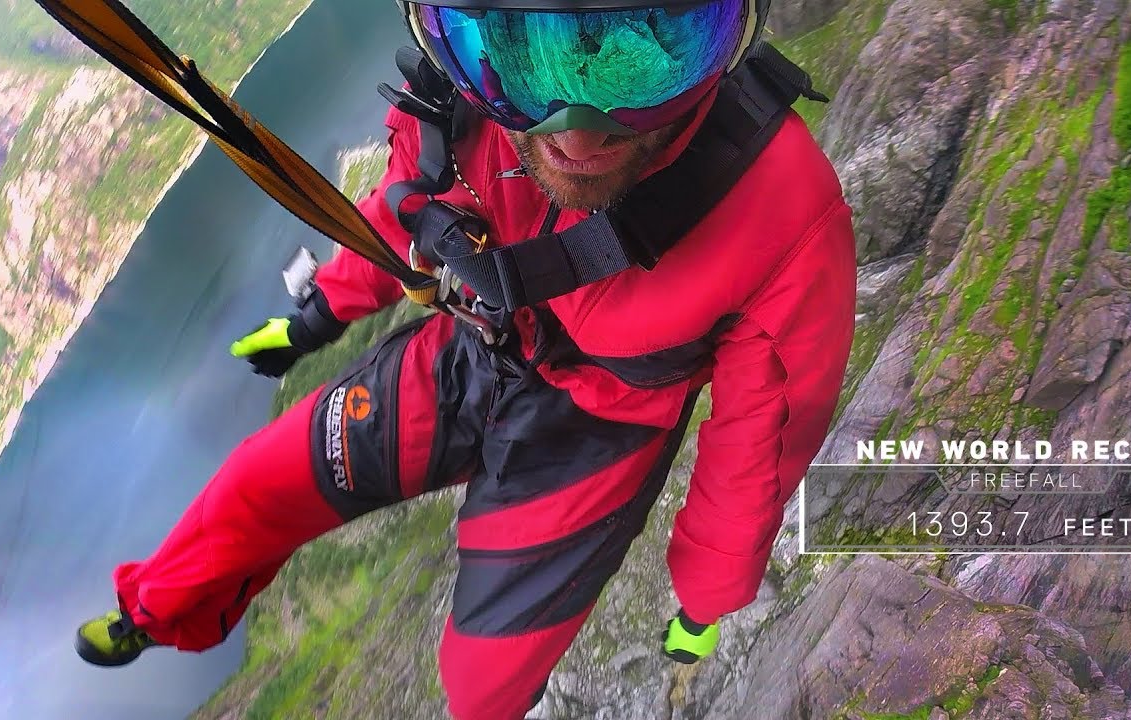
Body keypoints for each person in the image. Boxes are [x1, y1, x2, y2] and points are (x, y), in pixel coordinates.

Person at [73, 0, 857, 717]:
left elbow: (761, 434)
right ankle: (154, 611)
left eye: (648, 54)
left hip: (590, 438)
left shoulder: (781, 209)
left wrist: (708, 592)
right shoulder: (460, 104)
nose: (578, 134)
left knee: (482, 686)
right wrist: (317, 317)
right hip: (472, 350)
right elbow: (411, 210)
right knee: (257, 482)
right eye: (520, 53)